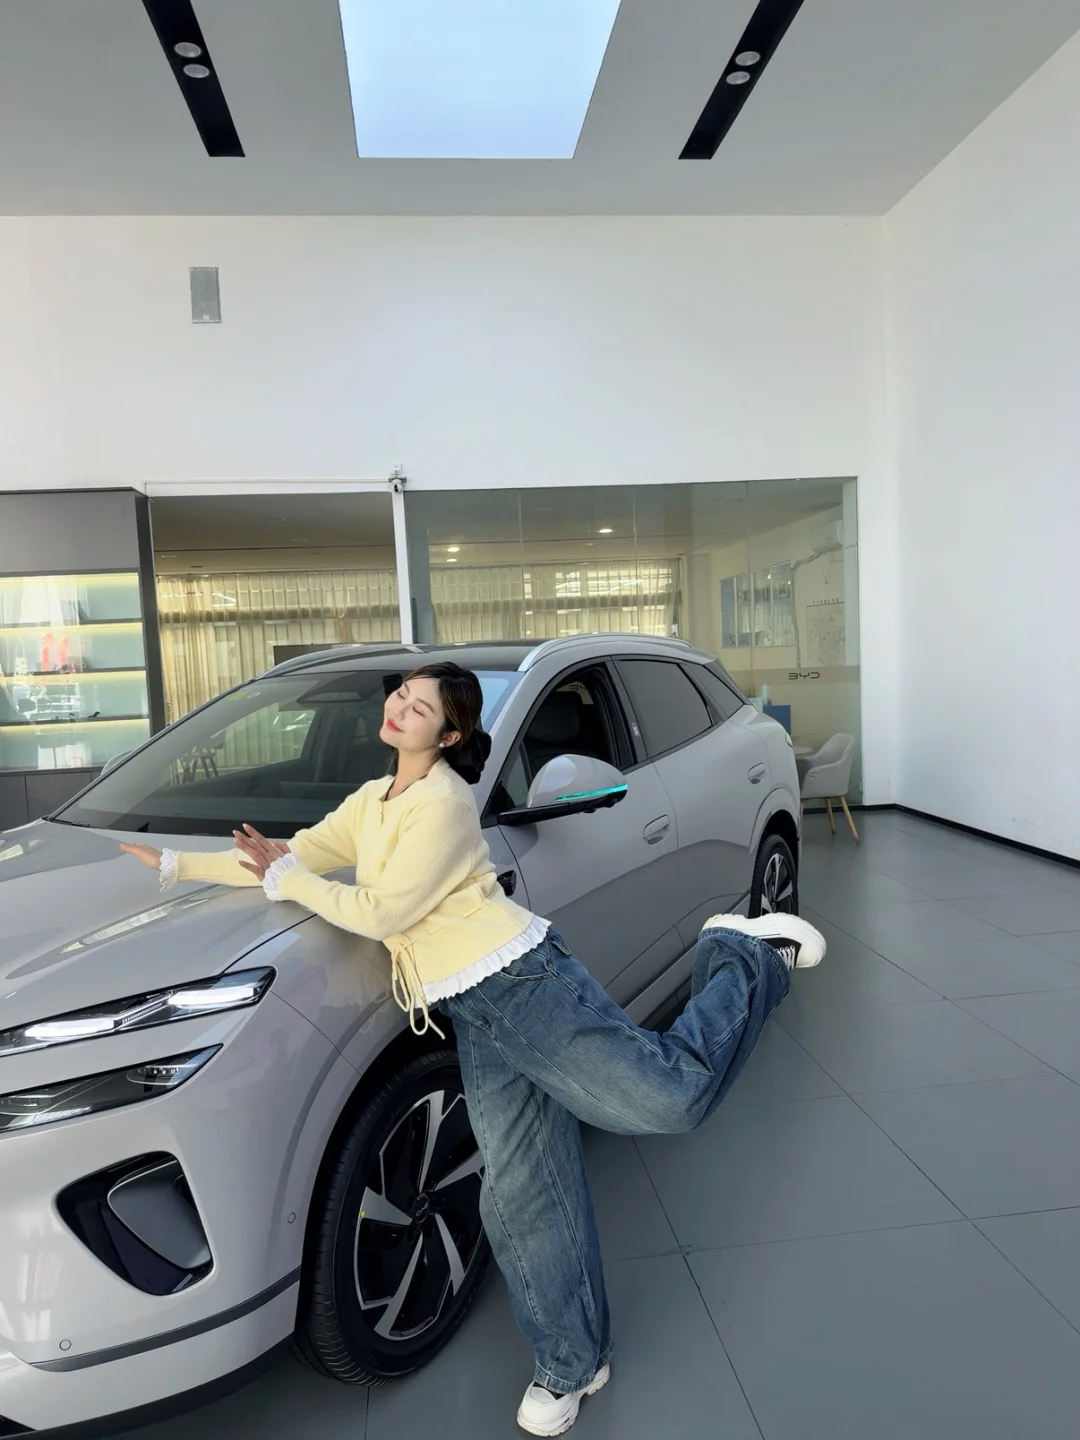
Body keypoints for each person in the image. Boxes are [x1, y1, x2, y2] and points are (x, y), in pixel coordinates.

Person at [122, 661, 825, 1437]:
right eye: (402, 694)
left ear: (449, 733)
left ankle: (742, 953)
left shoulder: (445, 804)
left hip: (523, 983)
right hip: (474, 1009)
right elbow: (288, 855)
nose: (401, 708)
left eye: (421, 707)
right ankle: (573, 1361)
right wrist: (177, 866)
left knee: (671, 1097)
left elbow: (383, 912)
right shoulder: (374, 800)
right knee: (524, 1192)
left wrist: (291, 879)